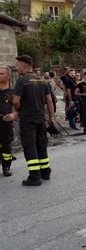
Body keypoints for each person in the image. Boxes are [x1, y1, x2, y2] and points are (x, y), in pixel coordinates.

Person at [12, 55, 54, 186]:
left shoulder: (22, 80)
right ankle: (45, 172)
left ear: (24, 66)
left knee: (29, 145)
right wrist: (51, 118)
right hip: (40, 117)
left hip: (27, 117)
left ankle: (34, 176)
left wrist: (18, 110)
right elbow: (49, 101)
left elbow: (15, 101)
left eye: (17, 65)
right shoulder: (42, 80)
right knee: (41, 144)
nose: (16, 68)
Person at [0, 66, 16, 177]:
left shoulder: (13, 91)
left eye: (1, 74)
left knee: (6, 145)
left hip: (6, 122)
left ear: (8, 76)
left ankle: (6, 166)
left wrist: (13, 114)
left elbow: (17, 107)